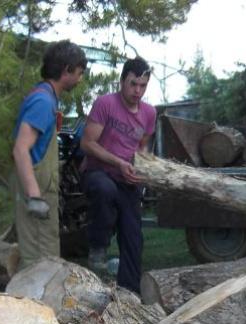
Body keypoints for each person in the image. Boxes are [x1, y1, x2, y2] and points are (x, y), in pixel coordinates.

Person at [80, 57, 156, 293]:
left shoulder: (149, 113)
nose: (137, 91)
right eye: (133, 84)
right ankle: (98, 246)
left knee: (133, 237)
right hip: (98, 172)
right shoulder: (105, 104)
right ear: (122, 81)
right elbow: (87, 143)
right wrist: (119, 162)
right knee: (106, 189)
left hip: (127, 180)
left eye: (143, 86)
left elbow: (143, 147)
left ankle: (130, 293)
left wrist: (141, 168)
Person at [12, 40, 87, 270]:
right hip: (38, 197)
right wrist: (34, 196)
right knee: (38, 263)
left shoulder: (48, 98)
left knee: (47, 261)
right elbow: (20, 149)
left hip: (44, 193)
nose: (80, 79)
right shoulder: (43, 102)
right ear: (66, 70)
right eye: (79, 73)